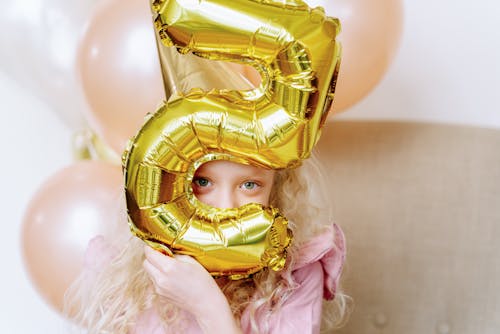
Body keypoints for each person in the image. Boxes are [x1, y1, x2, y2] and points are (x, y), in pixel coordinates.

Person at [64, 153, 350, 333]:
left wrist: (208, 306)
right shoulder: (118, 272)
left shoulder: (297, 276)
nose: (225, 207)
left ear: (275, 189)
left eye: (249, 185)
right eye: (202, 182)